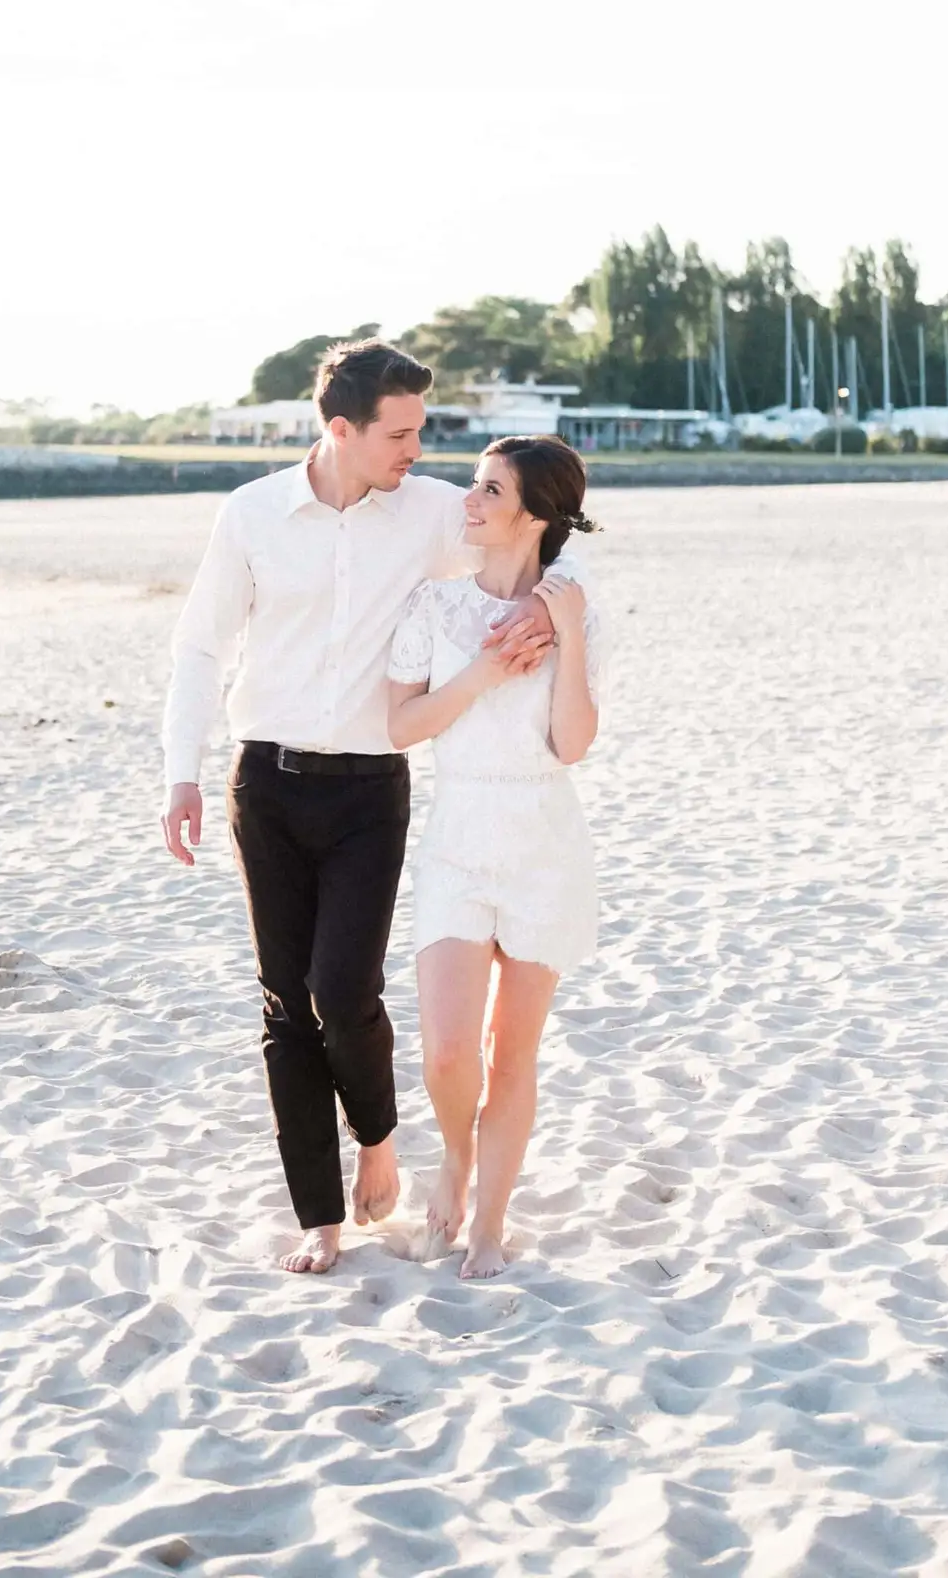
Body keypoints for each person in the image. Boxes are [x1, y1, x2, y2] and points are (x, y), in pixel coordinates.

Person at [160, 341, 586, 1275]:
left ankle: (380, 1136)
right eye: (400, 432)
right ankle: (319, 1216)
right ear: (340, 430)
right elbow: (199, 647)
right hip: (263, 779)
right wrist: (180, 774)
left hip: (368, 789)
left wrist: (558, 610)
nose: (417, 448)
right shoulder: (253, 515)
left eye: (420, 430)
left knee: (344, 992)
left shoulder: (435, 508)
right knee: (284, 1003)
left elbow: (538, 533)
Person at [387, 436, 600, 1280]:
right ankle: (455, 1156)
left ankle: (490, 1224)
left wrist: (573, 632)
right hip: (458, 842)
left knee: (512, 1053)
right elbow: (402, 729)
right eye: (474, 485)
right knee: (446, 1052)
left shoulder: (577, 607)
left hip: (544, 844)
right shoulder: (435, 607)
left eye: (487, 489)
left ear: (536, 514)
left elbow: (572, 743)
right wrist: (479, 673)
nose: (467, 502)